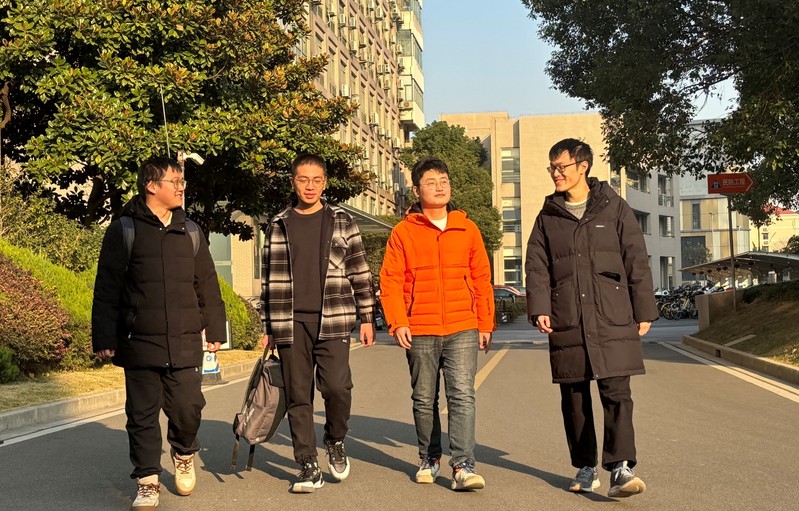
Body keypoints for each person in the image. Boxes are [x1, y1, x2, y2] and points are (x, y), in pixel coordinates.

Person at [525, 139, 659, 498]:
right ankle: (585, 467)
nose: (556, 173)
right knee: (574, 395)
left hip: (611, 314)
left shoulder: (613, 207)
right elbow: (536, 265)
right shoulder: (548, 216)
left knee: (617, 393)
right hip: (567, 315)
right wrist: (540, 307)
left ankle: (621, 468)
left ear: (582, 166)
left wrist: (644, 309)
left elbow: (636, 258)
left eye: (561, 167)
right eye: (552, 167)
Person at [92, 157, 226, 510]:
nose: (181, 187)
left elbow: (207, 284)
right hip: (139, 341)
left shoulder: (191, 231)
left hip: (184, 339)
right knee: (141, 415)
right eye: (174, 181)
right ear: (151, 186)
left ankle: (183, 453)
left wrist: (215, 326)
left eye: (182, 181)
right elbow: (107, 287)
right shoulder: (124, 229)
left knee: (187, 407)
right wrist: (104, 337)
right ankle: (147, 479)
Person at [260, 153, 375, 493]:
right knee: (298, 395)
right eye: (303, 179)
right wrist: (268, 327)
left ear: (324, 183)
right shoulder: (278, 223)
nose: (309, 186)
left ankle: (335, 439)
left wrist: (367, 316)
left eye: (316, 180)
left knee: (337, 388)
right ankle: (307, 464)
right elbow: (268, 279)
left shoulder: (342, 220)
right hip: (289, 322)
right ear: (292, 182)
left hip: (335, 319)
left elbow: (359, 269)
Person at [379, 157, 494, 491]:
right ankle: (428, 458)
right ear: (417, 191)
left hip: (462, 325)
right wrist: (398, 320)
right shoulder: (403, 232)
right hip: (420, 327)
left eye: (444, 181)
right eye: (431, 182)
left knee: (462, 396)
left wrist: (485, 322)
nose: (440, 187)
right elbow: (391, 280)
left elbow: (482, 278)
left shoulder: (467, 229)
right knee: (423, 398)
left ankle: (463, 465)